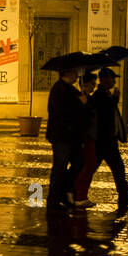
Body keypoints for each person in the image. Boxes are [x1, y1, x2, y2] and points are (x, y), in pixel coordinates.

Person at [93, 66, 128, 208]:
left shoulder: (105, 94)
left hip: (108, 141)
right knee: (93, 169)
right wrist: (114, 100)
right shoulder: (100, 95)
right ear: (105, 79)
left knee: (118, 169)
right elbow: (104, 116)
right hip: (104, 141)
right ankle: (72, 192)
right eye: (113, 79)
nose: (114, 82)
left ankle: (125, 198)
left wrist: (113, 99)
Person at [45, 67, 84, 209]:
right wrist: (79, 103)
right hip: (62, 136)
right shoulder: (59, 89)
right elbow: (63, 111)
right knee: (59, 167)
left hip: (70, 136)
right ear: (67, 73)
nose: (77, 75)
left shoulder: (70, 89)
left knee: (78, 163)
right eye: (74, 72)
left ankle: (62, 192)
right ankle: (53, 199)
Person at [70, 72, 100, 208]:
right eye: (93, 83)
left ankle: (78, 193)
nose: (95, 86)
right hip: (85, 137)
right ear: (86, 84)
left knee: (88, 165)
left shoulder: (88, 97)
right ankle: (78, 194)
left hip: (91, 136)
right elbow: (81, 118)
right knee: (88, 165)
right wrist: (84, 105)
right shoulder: (79, 98)